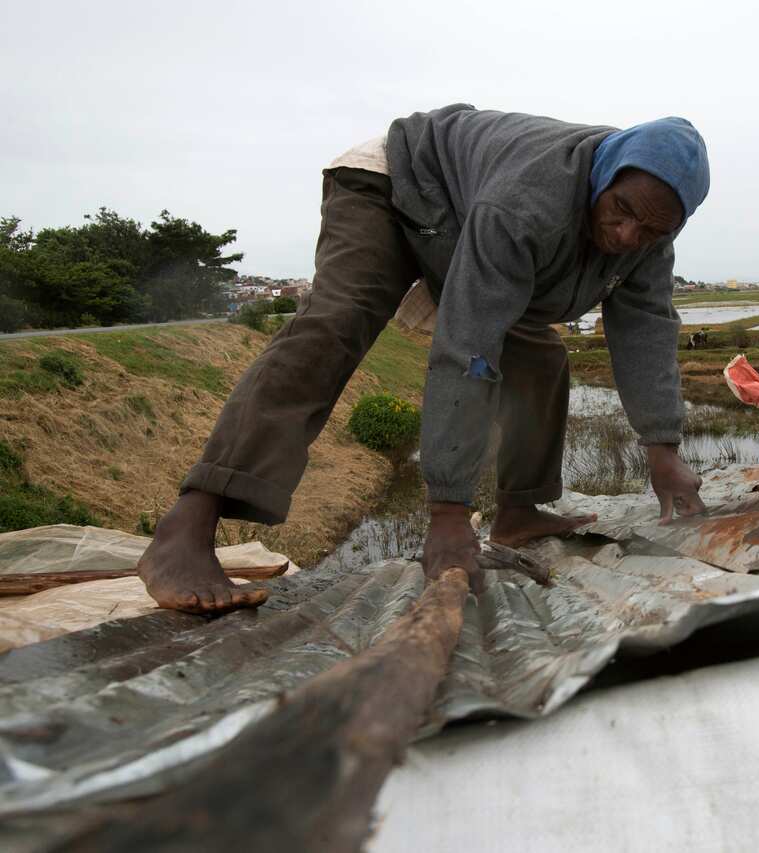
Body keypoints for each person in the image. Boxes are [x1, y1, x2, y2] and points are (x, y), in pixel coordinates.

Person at [137, 105, 712, 613]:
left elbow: (646, 330)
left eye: (653, 229)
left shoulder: (648, 238)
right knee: (338, 322)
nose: (627, 233)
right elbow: (467, 349)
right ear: (605, 175)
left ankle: (519, 511)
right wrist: (448, 512)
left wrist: (662, 449)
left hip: (461, 219)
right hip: (394, 186)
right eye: (622, 209)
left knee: (539, 355)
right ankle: (189, 524)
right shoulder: (528, 202)